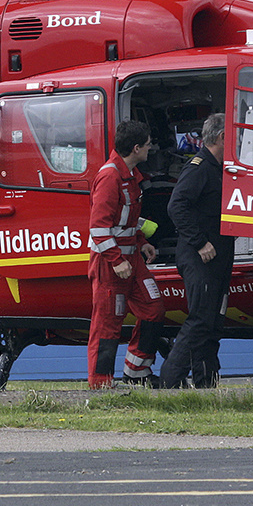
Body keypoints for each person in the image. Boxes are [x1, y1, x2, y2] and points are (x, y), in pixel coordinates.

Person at [158, 113, 236, 389]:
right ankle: (168, 384)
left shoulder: (219, 168)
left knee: (213, 324)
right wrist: (199, 242)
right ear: (222, 137)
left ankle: (206, 387)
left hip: (219, 258)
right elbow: (176, 206)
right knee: (200, 320)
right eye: (234, 135)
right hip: (199, 257)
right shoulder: (199, 167)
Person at [86, 120, 165, 388]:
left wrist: (141, 241)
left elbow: (127, 220)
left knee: (153, 308)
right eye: (147, 144)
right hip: (112, 265)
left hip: (131, 261)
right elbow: (99, 228)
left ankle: (136, 372)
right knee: (108, 325)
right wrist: (117, 260)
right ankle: (100, 385)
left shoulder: (129, 176)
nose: (150, 148)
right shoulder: (110, 177)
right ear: (135, 148)